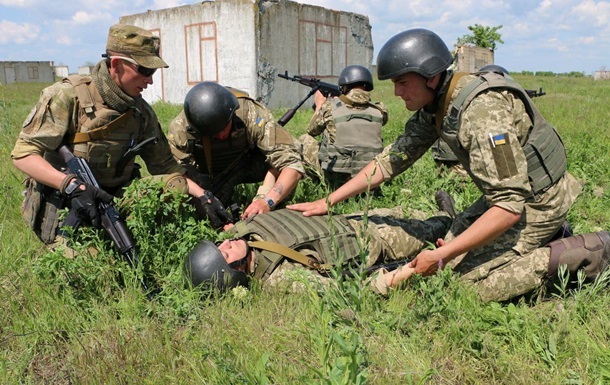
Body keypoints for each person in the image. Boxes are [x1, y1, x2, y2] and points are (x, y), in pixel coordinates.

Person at [288, 28, 610, 302]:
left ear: (430, 75)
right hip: (507, 196)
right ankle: (545, 238)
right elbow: (390, 162)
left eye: (402, 82)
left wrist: (444, 254)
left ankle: (592, 251)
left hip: (539, 200)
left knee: (468, 286)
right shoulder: (437, 107)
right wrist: (327, 201)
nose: (396, 92)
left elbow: (510, 207)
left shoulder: (481, 113)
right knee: (449, 253)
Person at [12, 23, 233, 248]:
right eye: (145, 70)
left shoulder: (141, 112)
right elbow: (23, 155)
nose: (150, 80)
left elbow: (166, 167)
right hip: (69, 202)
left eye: (153, 71)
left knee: (172, 190)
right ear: (117, 65)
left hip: (113, 199)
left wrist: (204, 197)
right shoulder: (67, 96)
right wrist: (70, 185)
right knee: (94, 270)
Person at [183, 207, 451, 292]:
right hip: (372, 242)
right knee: (432, 228)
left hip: (346, 218)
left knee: (404, 211)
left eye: (220, 245)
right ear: (236, 272)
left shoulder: (242, 235)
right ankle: (451, 218)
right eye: (226, 255)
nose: (227, 244)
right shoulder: (281, 278)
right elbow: (340, 292)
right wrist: (399, 276)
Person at [167, 81, 305, 219]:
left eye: (223, 128)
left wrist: (267, 200)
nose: (220, 135)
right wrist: (203, 196)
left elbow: (291, 163)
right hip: (212, 175)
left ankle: (275, 207)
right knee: (203, 212)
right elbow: (177, 174)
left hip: (249, 162)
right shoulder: (181, 129)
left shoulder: (249, 113)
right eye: (212, 134)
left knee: (292, 159)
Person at [299, 65, 389, 189]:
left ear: (345, 86)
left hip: (337, 179)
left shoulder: (330, 108)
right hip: (370, 177)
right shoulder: (380, 111)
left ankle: (314, 182)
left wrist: (320, 105)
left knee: (305, 139)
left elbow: (311, 131)